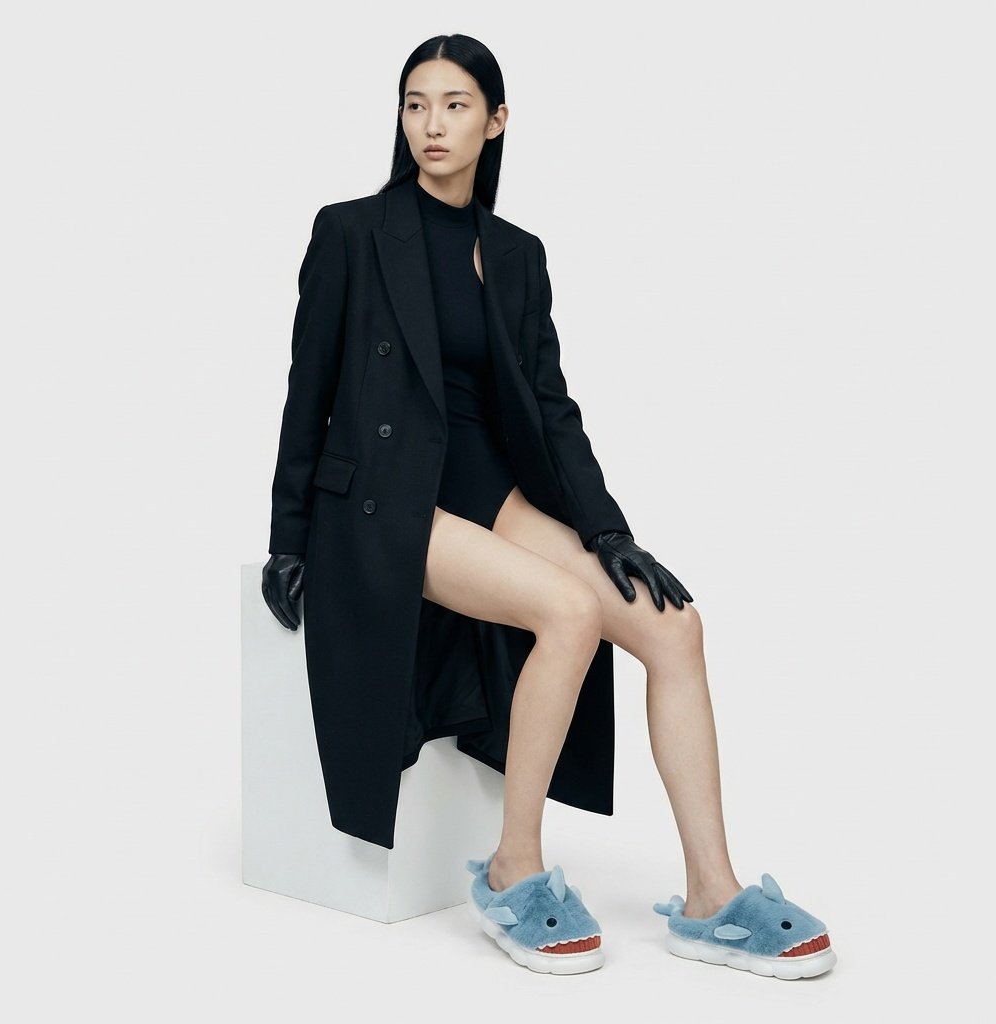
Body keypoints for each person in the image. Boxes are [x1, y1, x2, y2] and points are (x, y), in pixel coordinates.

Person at [261, 34, 835, 978]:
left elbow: (550, 409)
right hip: (385, 502)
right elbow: (307, 387)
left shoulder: (516, 255)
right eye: (415, 104)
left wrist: (608, 530)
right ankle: (514, 868)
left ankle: (712, 894)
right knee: (568, 613)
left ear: (495, 121)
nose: (431, 125)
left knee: (676, 629)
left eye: (454, 105)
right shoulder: (351, 232)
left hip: (493, 493)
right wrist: (288, 538)